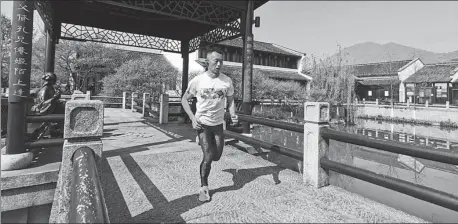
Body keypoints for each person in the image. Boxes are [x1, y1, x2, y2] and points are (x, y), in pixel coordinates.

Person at [181, 46, 238, 202]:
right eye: (216, 61)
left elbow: (231, 100)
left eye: (221, 61)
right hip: (203, 124)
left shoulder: (227, 81)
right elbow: (184, 100)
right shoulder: (198, 81)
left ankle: (205, 143)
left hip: (218, 124)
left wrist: (233, 114)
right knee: (208, 156)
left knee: (217, 156)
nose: (219, 64)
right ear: (208, 62)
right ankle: (204, 187)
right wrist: (193, 118)